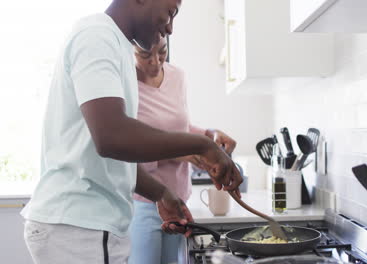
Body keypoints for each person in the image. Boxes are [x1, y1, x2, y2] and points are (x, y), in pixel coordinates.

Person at [20, 0, 242, 263]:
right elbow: (111, 137)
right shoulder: (96, 36)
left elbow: (108, 154)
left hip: (84, 227)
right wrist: (203, 146)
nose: (170, 28)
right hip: (80, 227)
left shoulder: (115, 46)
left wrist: (161, 193)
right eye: (170, 12)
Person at [128, 36, 237, 264]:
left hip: (179, 199)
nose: (156, 62)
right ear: (129, 50)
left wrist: (209, 134)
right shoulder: (124, 84)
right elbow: (129, 150)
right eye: (145, 55)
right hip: (144, 201)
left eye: (162, 52)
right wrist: (184, 152)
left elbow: (180, 127)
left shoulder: (177, 76)